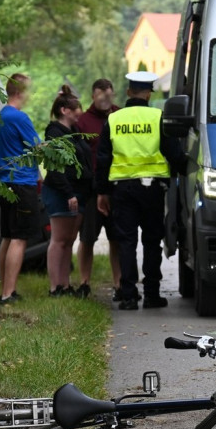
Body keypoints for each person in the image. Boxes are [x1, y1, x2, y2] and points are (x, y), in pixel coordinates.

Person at [95, 71, 185, 310]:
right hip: (152, 190)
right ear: (148, 93)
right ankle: (153, 295)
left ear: (128, 92)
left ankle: (128, 296)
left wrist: (102, 192)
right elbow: (173, 152)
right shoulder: (158, 117)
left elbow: (103, 159)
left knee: (126, 242)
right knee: (152, 241)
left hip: (122, 191)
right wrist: (187, 169)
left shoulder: (113, 120)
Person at [0, 73, 42, 305]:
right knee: (19, 239)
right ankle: (8, 294)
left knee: (9, 236)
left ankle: (5, 288)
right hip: (22, 182)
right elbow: (38, 148)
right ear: (20, 92)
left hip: (5, 182)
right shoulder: (20, 117)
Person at [41, 85, 93, 297]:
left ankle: (65, 283)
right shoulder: (54, 133)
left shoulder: (74, 133)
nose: (79, 112)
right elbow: (56, 168)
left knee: (69, 240)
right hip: (62, 193)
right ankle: (55, 286)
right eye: (76, 108)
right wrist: (68, 193)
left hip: (79, 193)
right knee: (59, 240)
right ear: (65, 110)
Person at [75, 78, 121, 300]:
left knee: (117, 239)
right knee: (87, 238)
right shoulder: (83, 122)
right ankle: (84, 282)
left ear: (114, 95)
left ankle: (119, 283)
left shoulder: (120, 116)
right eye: (101, 95)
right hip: (92, 191)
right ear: (93, 97)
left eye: (109, 95)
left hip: (117, 188)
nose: (105, 99)